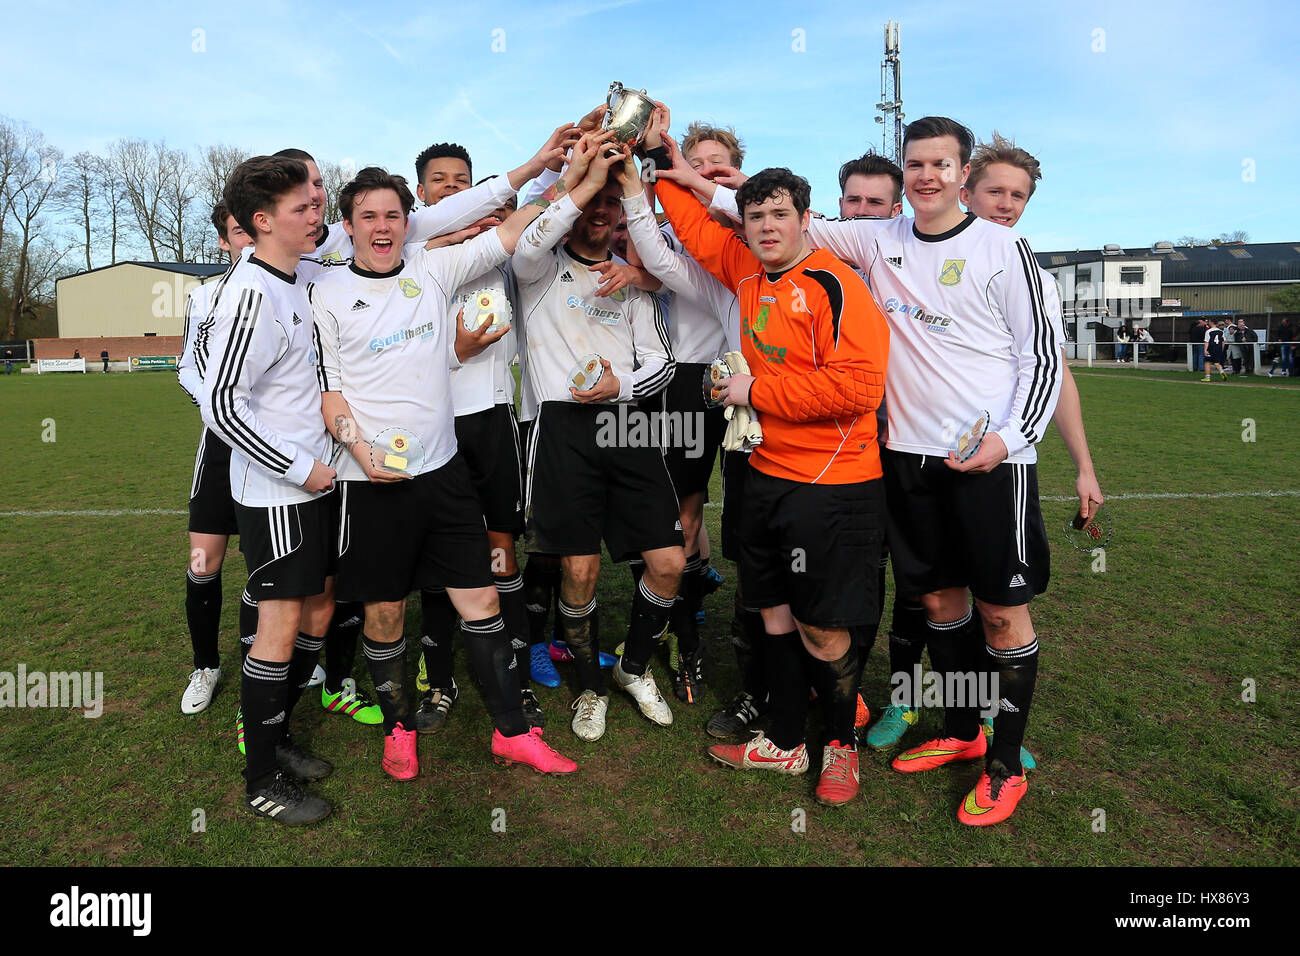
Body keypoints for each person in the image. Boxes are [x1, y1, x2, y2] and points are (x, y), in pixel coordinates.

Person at [697, 116, 1064, 825]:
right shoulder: (881, 237)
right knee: (939, 606)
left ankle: (1003, 765)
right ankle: (960, 732)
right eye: (916, 164)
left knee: (1000, 613)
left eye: (941, 164)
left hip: (991, 463)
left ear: (963, 172)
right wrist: (684, 175)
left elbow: (1039, 357)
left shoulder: (1004, 247)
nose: (927, 175)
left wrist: (1012, 436)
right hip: (905, 458)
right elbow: (768, 213)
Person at [309, 162, 590, 779]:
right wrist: (361, 450)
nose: (381, 227)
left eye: (392, 216)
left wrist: (585, 177)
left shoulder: (433, 269)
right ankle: (400, 729)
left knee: (482, 598)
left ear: (406, 224)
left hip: (443, 476)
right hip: (371, 483)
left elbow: (518, 228)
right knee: (385, 613)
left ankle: (512, 733)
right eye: (368, 217)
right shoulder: (323, 293)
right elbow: (330, 397)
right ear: (349, 226)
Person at [653, 137, 890, 807]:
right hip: (761, 476)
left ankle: (839, 746)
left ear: (805, 219)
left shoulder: (834, 284)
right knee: (775, 613)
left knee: (822, 624)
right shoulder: (748, 271)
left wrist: (754, 392)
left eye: (778, 214)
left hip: (831, 485)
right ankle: (786, 742)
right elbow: (698, 232)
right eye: (755, 215)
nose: (765, 227)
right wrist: (663, 162)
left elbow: (859, 389)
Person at [512, 131, 684, 744]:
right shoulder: (535, 270)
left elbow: (660, 364)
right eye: (591, 203)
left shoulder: (630, 280)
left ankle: (634, 667)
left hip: (628, 421)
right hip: (559, 428)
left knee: (668, 562)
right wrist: (576, 180)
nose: (600, 214)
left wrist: (621, 388)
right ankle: (589, 687)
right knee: (578, 571)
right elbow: (531, 238)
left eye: (612, 204)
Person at [200, 155, 338, 826]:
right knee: (279, 627)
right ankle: (260, 779)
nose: (317, 214)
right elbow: (222, 406)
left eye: (315, 204)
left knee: (315, 610)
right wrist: (299, 467)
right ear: (261, 223)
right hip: (277, 493)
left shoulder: (296, 273)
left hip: (311, 484)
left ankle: (276, 735)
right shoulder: (249, 291)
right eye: (302, 209)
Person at [175, 202, 261, 716]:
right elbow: (189, 366)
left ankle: (275, 655)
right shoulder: (205, 297)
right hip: (221, 443)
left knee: (268, 565)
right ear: (225, 242)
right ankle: (205, 665)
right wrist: (218, 406)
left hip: (277, 448)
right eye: (237, 233)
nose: (248, 241)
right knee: (204, 562)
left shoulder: (296, 288)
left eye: (254, 230)